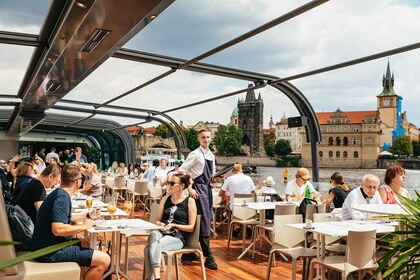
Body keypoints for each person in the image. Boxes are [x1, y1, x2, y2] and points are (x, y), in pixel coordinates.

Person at [31, 164, 110, 280]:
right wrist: (84, 226)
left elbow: (60, 218)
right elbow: (58, 229)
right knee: (104, 259)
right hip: (49, 251)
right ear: (78, 182)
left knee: (84, 243)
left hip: (44, 245)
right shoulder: (62, 198)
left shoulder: (59, 193)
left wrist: (87, 215)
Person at [143, 172, 197, 280]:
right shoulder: (165, 199)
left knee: (148, 248)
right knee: (153, 234)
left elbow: (191, 227)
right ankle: (155, 278)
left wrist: (174, 225)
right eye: (168, 183)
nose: (169, 185)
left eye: (172, 183)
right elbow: (157, 221)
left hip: (177, 237)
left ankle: (153, 278)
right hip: (162, 232)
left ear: (182, 186)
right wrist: (162, 224)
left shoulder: (190, 201)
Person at [178, 128, 217, 269]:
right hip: (198, 190)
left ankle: (189, 251)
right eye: (203, 137)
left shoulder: (211, 155)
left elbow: (210, 174)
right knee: (202, 221)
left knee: (201, 220)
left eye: (208, 137)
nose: (206, 140)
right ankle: (208, 256)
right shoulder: (195, 154)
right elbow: (182, 170)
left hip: (207, 189)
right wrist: (189, 187)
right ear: (199, 139)